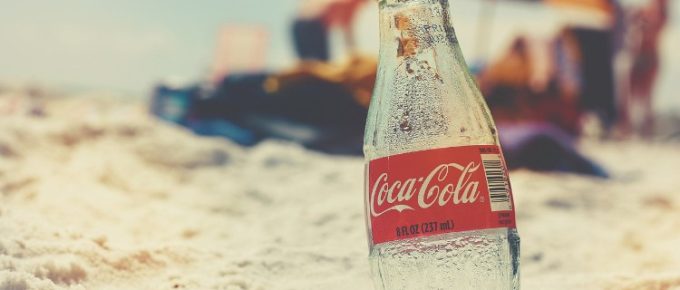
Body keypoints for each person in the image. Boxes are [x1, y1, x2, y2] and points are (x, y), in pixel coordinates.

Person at [621, 0, 668, 137]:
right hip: (643, 55)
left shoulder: (660, 16)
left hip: (649, 56)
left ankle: (645, 130)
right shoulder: (651, 13)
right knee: (633, 96)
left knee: (645, 98)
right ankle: (629, 128)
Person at [292, 0, 368, 61]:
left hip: (299, 24)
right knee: (320, 66)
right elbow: (348, 37)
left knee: (309, 64)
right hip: (312, 25)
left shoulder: (345, 3)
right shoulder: (348, 5)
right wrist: (356, 58)